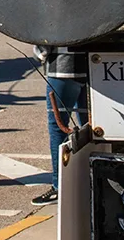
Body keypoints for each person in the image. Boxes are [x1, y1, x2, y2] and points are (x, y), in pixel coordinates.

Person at [31, 46, 89, 205]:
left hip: (63, 66)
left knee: (58, 127)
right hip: (93, 63)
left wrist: (41, 53)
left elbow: (47, 32)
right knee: (91, 127)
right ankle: (92, 179)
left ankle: (60, 185)